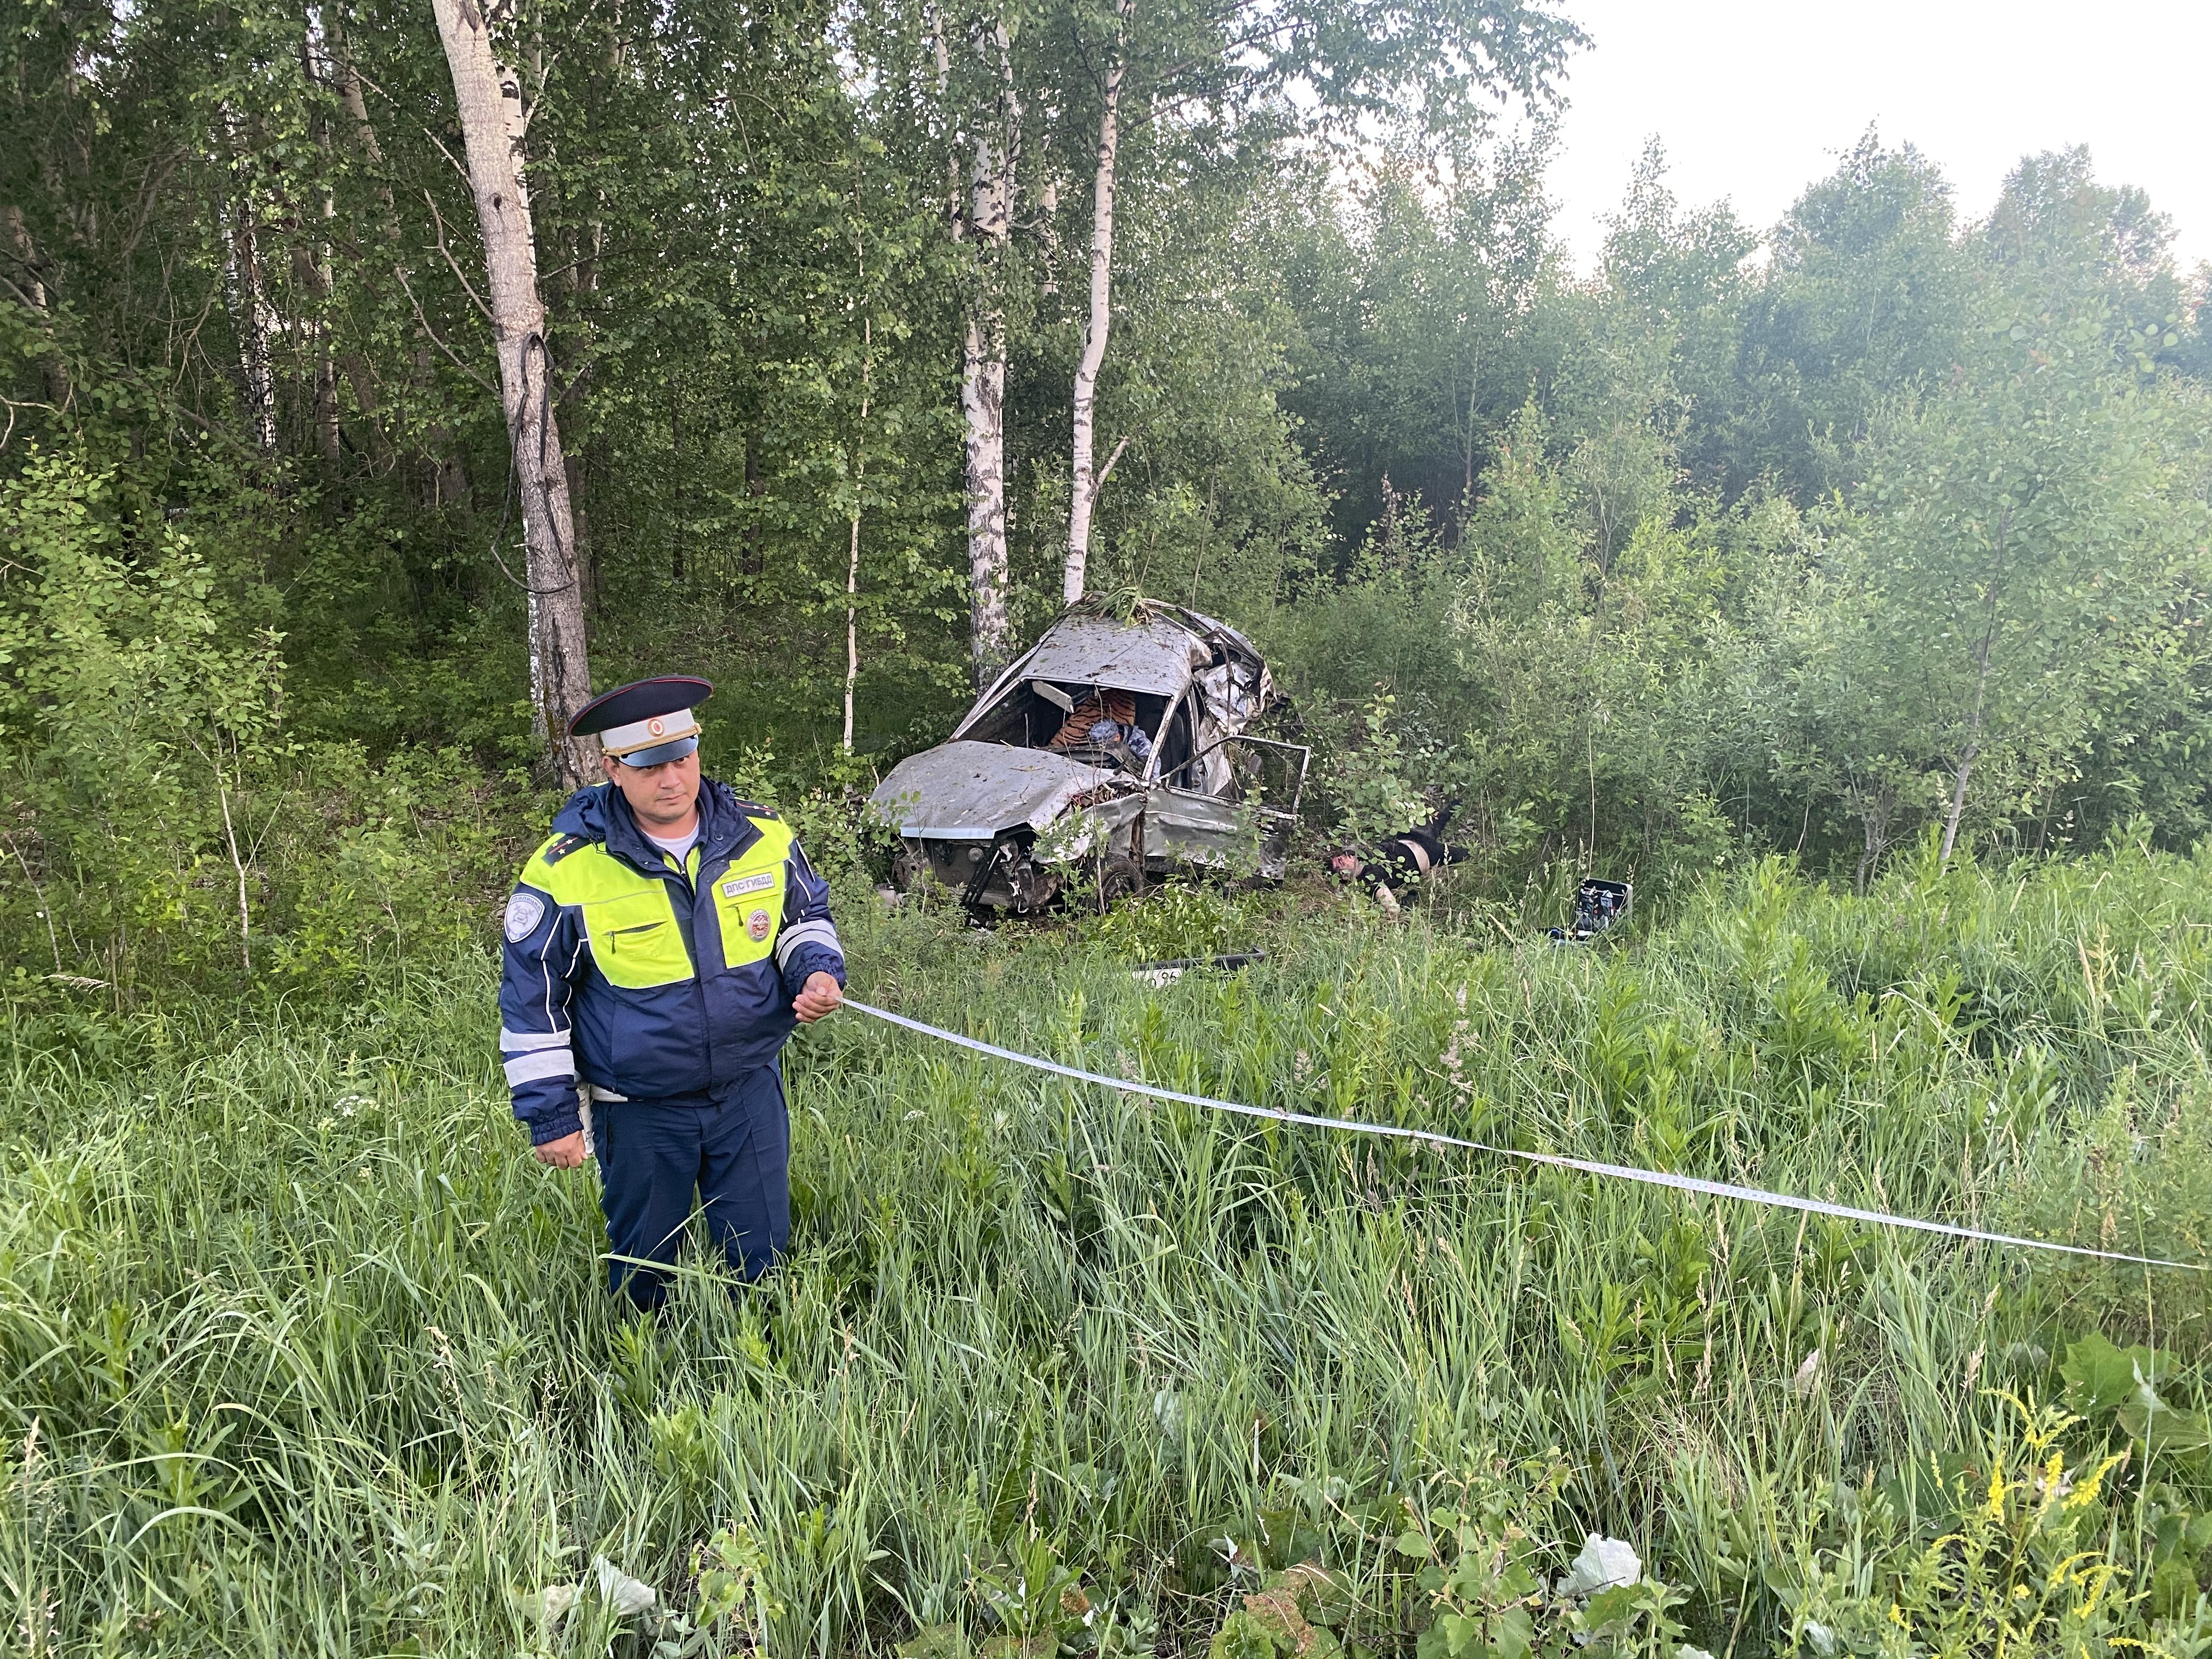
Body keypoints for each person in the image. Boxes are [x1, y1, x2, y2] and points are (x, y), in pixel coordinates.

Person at [496, 676, 845, 1309]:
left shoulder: (762, 835)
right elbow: (533, 1001)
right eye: (650, 765)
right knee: (643, 1268)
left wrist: (816, 972)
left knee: (761, 1256)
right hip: (638, 1108)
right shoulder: (565, 869)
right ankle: (646, 1378)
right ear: (612, 768)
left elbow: (802, 920)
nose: (672, 780)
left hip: (748, 1090)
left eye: (682, 758)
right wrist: (550, 1117)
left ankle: (764, 1372)